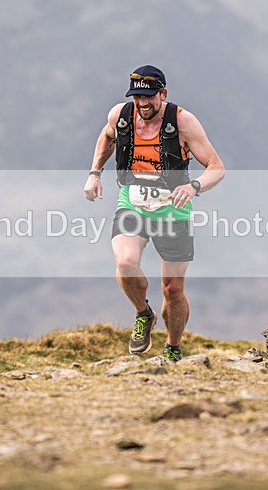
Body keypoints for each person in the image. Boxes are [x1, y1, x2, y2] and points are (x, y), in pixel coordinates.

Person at [83, 65, 225, 362]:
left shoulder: (183, 122)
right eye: (137, 97)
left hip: (173, 209)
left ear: (163, 94)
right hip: (132, 202)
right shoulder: (120, 115)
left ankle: (172, 347)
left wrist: (194, 186)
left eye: (149, 97)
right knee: (125, 263)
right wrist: (95, 173)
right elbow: (107, 137)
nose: (142, 103)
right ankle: (143, 313)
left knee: (172, 289)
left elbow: (216, 168)